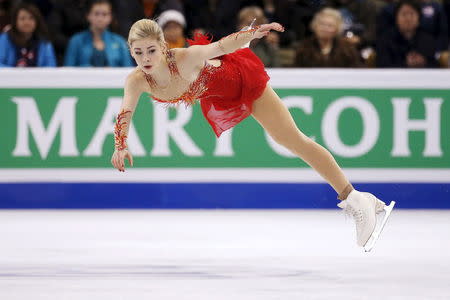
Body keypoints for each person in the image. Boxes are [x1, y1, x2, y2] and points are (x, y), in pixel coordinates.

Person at [110, 19, 395, 251]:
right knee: (290, 140)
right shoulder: (136, 80)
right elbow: (125, 112)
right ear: (131, 51)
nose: (145, 59)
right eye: (138, 52)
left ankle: (356, 198)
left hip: (241, 79)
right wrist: (120, 146)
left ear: (163, 47)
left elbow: (221, 45)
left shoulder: (186, 57)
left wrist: (252, 34)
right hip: (218, 95)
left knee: (293, 140)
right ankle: (361, 200)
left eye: (151, 51)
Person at [64, 0, 132, 67]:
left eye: (104, 14)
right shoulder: (76, 41)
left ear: (111, 17)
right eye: (96, 14)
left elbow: (128, 72)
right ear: (88, 16)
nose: (100, 19)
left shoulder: (120, 42)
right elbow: (67, 70)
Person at [376, 0, 438, 68]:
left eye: (412, 14)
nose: (408, 18)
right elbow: (383, 65)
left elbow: (434, 65)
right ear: (396, 18)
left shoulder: (428, 40)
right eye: (404, 14)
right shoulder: (385, 39)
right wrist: (405, 64)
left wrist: (423, 62)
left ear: (419, 18)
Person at [295, 8, 361, 67]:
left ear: (337, 29)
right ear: (315, 25)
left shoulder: (347, 49)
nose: (325, 29)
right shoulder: (304, 48)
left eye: (330, 26)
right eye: (322, 24)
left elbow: (355, 70)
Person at [0, 2, 56, 67]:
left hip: (37, 77)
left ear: (37, 21)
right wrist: (16, 74)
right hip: (10, 76)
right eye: (22, 18)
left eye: (31, 18)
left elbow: (51, 66)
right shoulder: (5, 39)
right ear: (15, 21)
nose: (27, 22)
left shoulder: (44, 42)